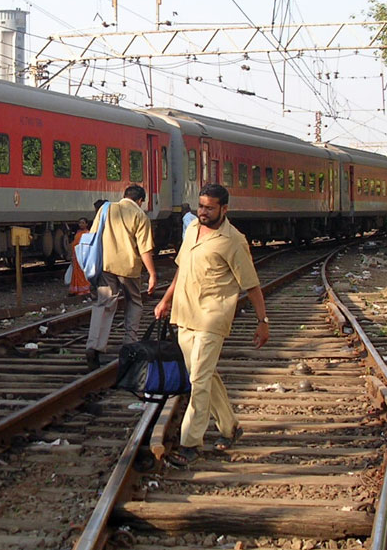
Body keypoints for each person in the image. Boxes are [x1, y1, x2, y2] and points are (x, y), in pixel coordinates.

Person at [155, 183, 270, 467]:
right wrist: (166, 300)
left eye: (209, 207)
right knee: (201, 373)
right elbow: (182, 269)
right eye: (201, 206)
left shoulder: (233, 241)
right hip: (184, 313)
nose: (203, 212)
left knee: (198, 381)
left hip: (212, 316)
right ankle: (231, 427)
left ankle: (191, 443)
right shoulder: (192, 229)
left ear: (224, 209)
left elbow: (251, 284)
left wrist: (262, 321)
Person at [84, 184, 156, 371]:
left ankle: (94, 345)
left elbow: (93, 236)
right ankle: (129, 344)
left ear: (123, 196)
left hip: (106, 265)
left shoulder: (106, 209)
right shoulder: (140, 216)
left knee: (104, 303)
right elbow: (145, 249)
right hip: (129, 268)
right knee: (134, 302)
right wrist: (152, 274)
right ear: (140, 200)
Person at [67, 217, 91, 297]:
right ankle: (75, 289)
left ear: (87, 224)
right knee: (76, 272)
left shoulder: (87, 233)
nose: (81, 224)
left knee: (82, 272)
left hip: (82, 256)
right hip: (75, 256)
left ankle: (84, 289)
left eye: (83, 223)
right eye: (80, 223)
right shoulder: (78, 233)